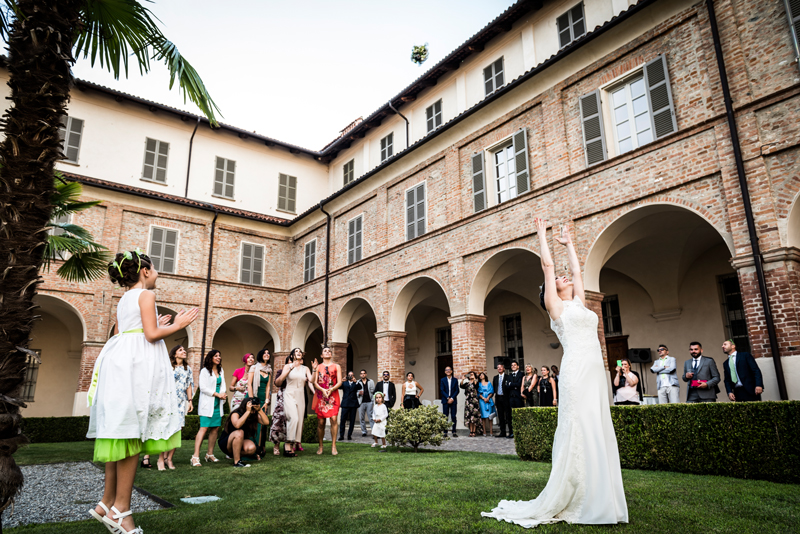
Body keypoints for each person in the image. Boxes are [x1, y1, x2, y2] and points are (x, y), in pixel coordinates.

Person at [483, 217, 627, 527]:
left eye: (565, 278)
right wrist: (541, 235)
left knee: (597, 425)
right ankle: (579, 495)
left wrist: (569, 243)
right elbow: (549, 268)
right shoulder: (556, 307)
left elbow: (577, 271)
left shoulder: (580, 304)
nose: (564, 276)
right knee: (581, 427)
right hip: (576, 370)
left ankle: (602, 494)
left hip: (594, 372)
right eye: (559, 280)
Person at [86, 250, 198, 534]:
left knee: (121, 434)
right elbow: (149, 335)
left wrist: (159, 326)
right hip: (136, 365)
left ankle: (106, 504)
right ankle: (122, 512)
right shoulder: (145, 295)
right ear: (145, 271)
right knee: (133, 434)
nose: (157, 273)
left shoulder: (123, 298)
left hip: (120, 360)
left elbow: (130, 331)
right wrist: (177, 325)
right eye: (155, 269)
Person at [274, 348, 316, 456]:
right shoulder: (287, 366)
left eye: (300, 352)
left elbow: (311, 380)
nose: (299, 353)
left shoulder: (305, 368)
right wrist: (290, 368)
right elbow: (279, 382)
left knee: (299, 421)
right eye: (296, 351)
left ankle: (292, 444)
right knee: (294, 418)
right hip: (289, 393)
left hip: (300, 394)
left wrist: (314, 370)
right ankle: (287, 443)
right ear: (292, 355)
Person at [161, 345, 194, 470]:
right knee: (166, 428)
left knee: (177, 429)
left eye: (184, 349)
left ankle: (169, 459)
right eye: (180, 350)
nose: (184, 351)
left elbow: (189, 385)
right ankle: (162, 457)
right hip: (167, 401)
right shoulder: (168, 367)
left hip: (180, 403)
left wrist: (190, 401)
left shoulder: (188, 368)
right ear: (175, 354)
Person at [193, 349, 226, 466]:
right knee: (204, 428)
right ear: (210, 358)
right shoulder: (204, 371)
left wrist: (223, 394)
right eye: (216, 356)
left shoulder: (221, 371)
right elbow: (203, 387)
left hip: (218, 404)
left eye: (219, 356)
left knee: (215, 428)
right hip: (207, 405)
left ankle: (209, 454)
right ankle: (195, 456)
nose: (218, 357)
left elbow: (223, 386)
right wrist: (217, 394)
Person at [218, 396, 270, 467]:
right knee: (240, 432)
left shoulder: (253, 415)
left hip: (239, 441)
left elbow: (266, 422)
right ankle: (237, 462)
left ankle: (232, 455)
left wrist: (259, 410)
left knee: (252, 448)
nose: (253, 409)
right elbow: (237, 425)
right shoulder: (236, 414)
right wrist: (247, 411)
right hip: (226, 442)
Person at [313, 347, 343, 455]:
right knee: (321, 422)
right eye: (325, 351)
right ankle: (320, 446)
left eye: (329, 351)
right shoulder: (318, 367)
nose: (327, 352)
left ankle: (333, 446)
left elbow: (339, 382)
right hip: (321, 395)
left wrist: (331, 389)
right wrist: (323, 390)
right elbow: (315, 382)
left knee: (334, 419)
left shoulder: (336, 366)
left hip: (333, 395)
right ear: (321, 355)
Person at [247, 349, 272, 456]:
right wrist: (252, 399)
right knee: (252, 423)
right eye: (265, 353)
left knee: (262, 424)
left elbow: (268, 387)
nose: (267, 354)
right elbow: (249, 384)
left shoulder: (269, 370)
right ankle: (250, 447)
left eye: (268, 353)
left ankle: (259, 448)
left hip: (263, 399)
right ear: (260, 355)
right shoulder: (254, 368)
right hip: (253, 398)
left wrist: (267, 401)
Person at [269, 363, 288, 456]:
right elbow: (277, 383)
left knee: (291, 422)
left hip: (294, 397)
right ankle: (276, 445)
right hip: (282, 399)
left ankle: (288, 446)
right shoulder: (281, 371)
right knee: (278, 422)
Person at [492, 364, 512, 438]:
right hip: (498, 398)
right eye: (498, 367)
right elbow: (494, 388)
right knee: (500, 416)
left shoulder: (508, 377)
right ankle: (502, 432)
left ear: (504, 368)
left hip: (506, 398)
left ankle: (510, 432)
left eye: (501, 367)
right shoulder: (495, 378)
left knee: (508, 415)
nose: (499, 368)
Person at [338, 371, 359, 440]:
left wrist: (356, 382)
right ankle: (341, 435)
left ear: (353, 376)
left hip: (353, 404)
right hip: (345, 403)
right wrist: (341, 380)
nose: (350, 376)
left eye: (351, 375)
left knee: (352, 420)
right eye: (349, 375)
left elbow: (360, 387)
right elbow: (338, 386)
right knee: (343, 420)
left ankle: (349, 435)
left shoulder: (356, 383)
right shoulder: (344, 383)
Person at [440, 366, 459, 437]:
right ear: (445, 372)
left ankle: (454, 431)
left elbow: (457, 390)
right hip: (445, 401)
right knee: (445, 416)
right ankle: (445, 432)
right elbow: (442, 390)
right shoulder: (442, 380)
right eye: (446, 370)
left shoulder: (455, 380)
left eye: (449, 370)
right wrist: (448, 398)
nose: (448, 371)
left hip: (453, 401)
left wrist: (452, 398)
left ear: (451, 371)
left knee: (453, 416)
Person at [460, 371, 481, 437]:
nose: (471, 376)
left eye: (472, 374)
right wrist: (463, 379)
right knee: (469, 417)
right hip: (468, 402)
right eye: (470, 375)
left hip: (474, 401)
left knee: (474, 417)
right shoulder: (467, 383)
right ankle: (471, 431)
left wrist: (474, 378)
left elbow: (476, 386)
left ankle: (474, 431)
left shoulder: (476, 382)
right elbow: (461, 386)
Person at [355, 369, 375, 436]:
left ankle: (374, 431)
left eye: (364, 373)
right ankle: (364, 431)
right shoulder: (357, 382)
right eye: (361, 373)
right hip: (361, 402)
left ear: (366, 374)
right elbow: (355, 392)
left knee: (371, 418)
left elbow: (373, 391)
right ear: (360, 375)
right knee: (361, 418)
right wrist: (358, 393)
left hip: (369, 402)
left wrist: (373, 401)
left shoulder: (371, 381)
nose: (362, 374)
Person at [477, 371, 495, 437]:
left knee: (490, 416)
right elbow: (478, 393)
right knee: (483, 416)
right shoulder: (478, 384)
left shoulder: (489, 383)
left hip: (489, 399)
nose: (481, 376)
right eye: (480, 375)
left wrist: (488, 397)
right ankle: (484, 430)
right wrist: (484, 398)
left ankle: (491, 430)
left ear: (485, 376)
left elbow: (492, 391)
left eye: (482, 374)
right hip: (482, 400)